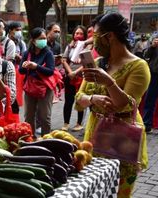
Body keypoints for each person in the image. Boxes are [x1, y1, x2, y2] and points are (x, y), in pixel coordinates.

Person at [75, 12, 150, 198]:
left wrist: (109, 83)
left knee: (119, 193)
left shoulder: (138, 66)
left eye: (96, 36)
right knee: (93, 190)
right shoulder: (99, 63)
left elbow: (123, 105)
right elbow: (78, 99)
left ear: (110, 37)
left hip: (122, 140)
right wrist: (93, 99)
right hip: (93, 134)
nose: (93, 41)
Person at [19, 27, 55, 135]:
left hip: (45, 89)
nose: (44, 40)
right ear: (34, 40)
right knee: (28, 116)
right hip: (30, 88)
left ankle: (46, 138)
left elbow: (50, 71)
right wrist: (26, 66)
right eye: (41, 38)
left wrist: (36, 66)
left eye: (45, 38)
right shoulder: (27, 53)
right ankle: (30, 138)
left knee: (45, 117)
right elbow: (21, 70)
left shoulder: (48, 53)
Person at [61, 25, 87, 132]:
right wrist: (70, 72)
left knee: (81, 101)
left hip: (82, 78)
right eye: (77, 33)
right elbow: (64, 60)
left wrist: (76, 72)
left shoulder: (87, 47)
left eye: (81, 34)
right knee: (68, 101)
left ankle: (79, 123)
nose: (78, 35)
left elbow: (87, 63)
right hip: (70, 78)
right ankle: (66, 123)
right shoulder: (70, 46)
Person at [142, 35, 158, 132]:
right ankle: (147, 124)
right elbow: (146, 55)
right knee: (150, 100)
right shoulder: (155, 38)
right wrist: (152, 46)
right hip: (154, 74)